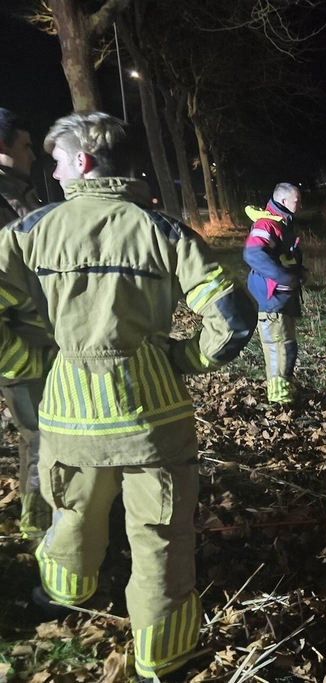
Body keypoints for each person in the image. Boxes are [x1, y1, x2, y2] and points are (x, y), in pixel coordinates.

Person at [0, 112, 257, 682]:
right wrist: (183, 360)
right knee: (162, 536)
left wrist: (29, 363)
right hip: (154, 413)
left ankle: (65, 596)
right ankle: (161, 657)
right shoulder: (162, 231)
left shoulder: (28, 232)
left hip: (68, 410)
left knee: (72, 515)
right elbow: (235, 319)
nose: (55, 169)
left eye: (60, 160)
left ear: (84, 162)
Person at [0, 108, 53, 540]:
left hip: (42, 342)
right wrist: (19, 357)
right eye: (26, 146)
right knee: (40, 439)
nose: (33, 155)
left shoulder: (21, 194)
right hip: (19, 348)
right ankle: (39, 529)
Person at [243, 183, 304, 405]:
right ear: (283, 201)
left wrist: (298, 273)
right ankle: (280, 398)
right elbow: (253, 254)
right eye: (297, 201)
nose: (299, 205)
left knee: (287, 345)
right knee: (279, 346)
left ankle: (285, 384)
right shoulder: (267, 223)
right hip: (272, 298)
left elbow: (282, 255)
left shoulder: (281, 223)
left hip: (281, 297)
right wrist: (283, 277)